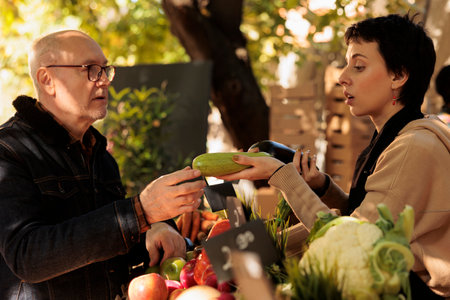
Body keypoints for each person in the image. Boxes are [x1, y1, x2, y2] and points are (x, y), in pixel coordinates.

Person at [218, 14, 450, 298]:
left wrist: (280, 175)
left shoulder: (413, 147)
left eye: (359, 66)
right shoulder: (399, 136)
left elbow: (351, 244)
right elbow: (367, 222)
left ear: (398, 76)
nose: (342, 77)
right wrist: (322, 187)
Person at [0, 30, 206, 299]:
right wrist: (140, 211)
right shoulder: (8, 151)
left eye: (105, 69)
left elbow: (99, 246)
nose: (104, 81)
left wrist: (152, 229)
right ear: (47, 79)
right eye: (90, 70)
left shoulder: (99, 154)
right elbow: (28, 257)